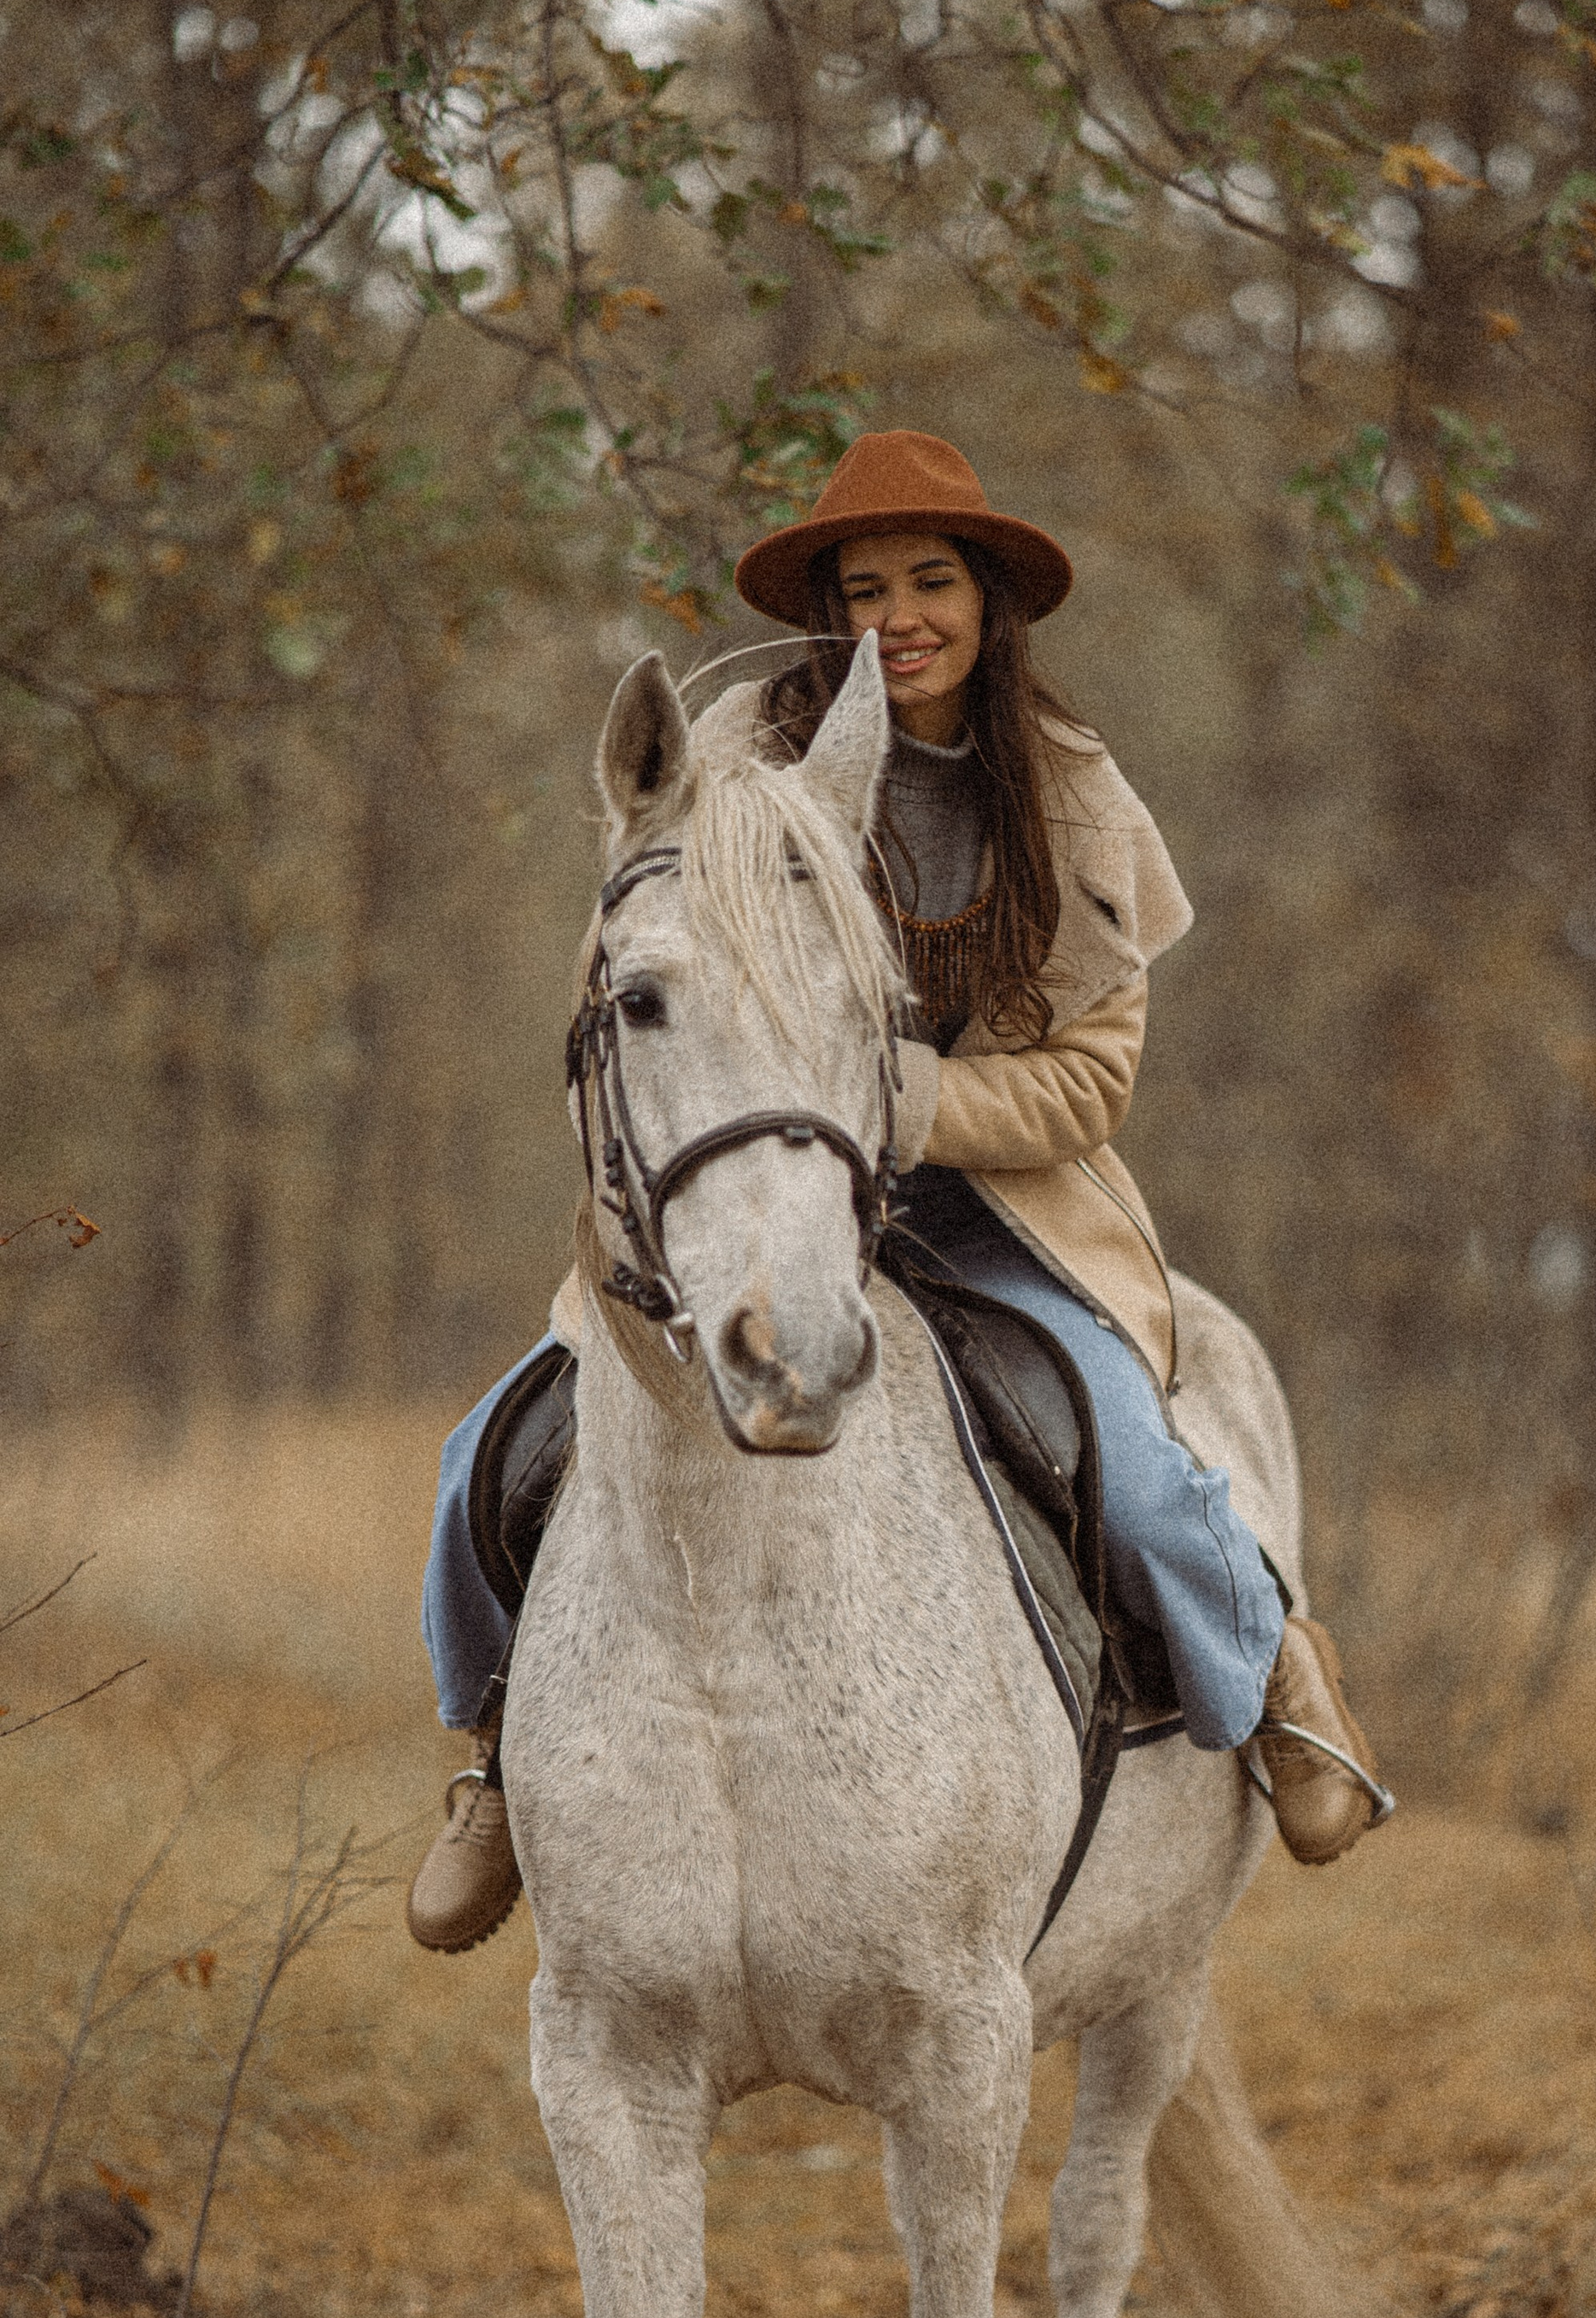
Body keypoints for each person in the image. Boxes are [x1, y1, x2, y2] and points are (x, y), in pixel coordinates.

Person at [406, 430, 1388, 1953]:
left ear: (989, 603)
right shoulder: (731, 751)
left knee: (1130, 1465)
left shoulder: (1071, 798)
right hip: (758, 1196)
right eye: (864, 587)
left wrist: (894, 1105)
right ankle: (493, 1760)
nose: (899, 615)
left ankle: (1277, 1681)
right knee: (497, 1449)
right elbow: (648, 960)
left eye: (932, 581)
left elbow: (1091, 1084)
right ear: (827, 610)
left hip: (990, 1210)